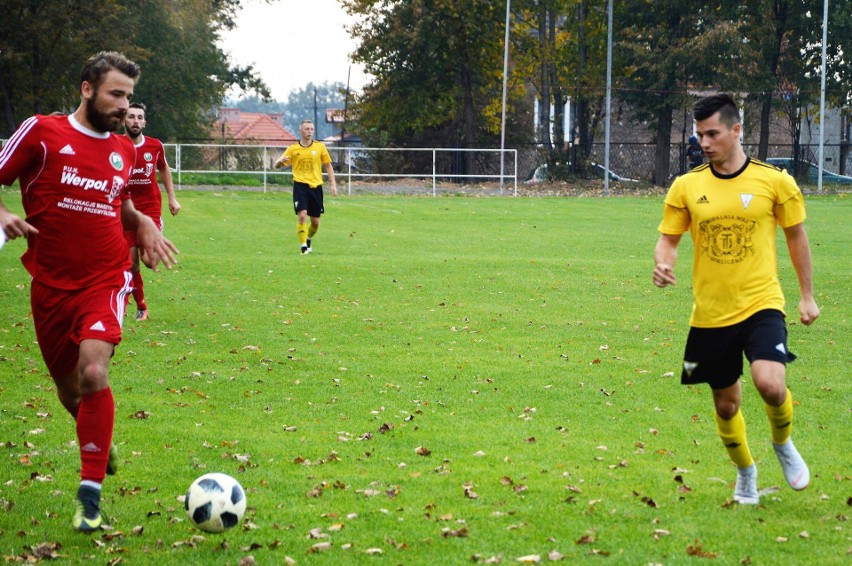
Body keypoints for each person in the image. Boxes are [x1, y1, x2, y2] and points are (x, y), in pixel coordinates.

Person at [0, 51, 178, 531]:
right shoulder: (41, 132)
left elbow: (115, 202)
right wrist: (1, 214)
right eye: (116, 94)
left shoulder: (124, 149)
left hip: (106, 276)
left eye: (129, 97)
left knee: (94, 370)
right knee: (70, 391)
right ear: (87, 89)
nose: (124, 105)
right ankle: (97, 438)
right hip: (50, 285)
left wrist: (141, 223)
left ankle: (90, 495)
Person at [653, 93, 819, 505]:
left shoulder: (774, 181)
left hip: (762, 302)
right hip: (710, 313)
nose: (704, 143)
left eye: (712, 134)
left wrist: (807, 296)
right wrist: (664, 262)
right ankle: (746, 473)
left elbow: (796, 237)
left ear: (735, 130)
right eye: (699, 135)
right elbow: (668, 240)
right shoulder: (686, 186)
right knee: (727, 407)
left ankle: (783, 443)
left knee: (770, 385)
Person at [123, 102, 181, 321]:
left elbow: (164, 167)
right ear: (123, 120)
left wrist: (172, 198)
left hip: (149, 209)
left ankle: (154, 232)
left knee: (149, 261)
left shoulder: (154, 146)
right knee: (130, 262)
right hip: (125, 210)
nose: (135, 121)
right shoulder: (115, 145)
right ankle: (140, 306)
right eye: (131, 117)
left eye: (139, 117)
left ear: (145, 122)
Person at [273, 119, 337, 254]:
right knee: (302, 216)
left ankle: (307, 239)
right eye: (307, 129)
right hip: (300, 186)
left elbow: (328, 166)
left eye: (311, 129)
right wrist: (279, 161)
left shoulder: (320, 147)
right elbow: (277, 166)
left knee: (315, 222)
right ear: (300, 131)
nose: (309, 131)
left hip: (316, 187)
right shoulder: (293, 149)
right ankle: (303, 247)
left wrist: (333, 184)